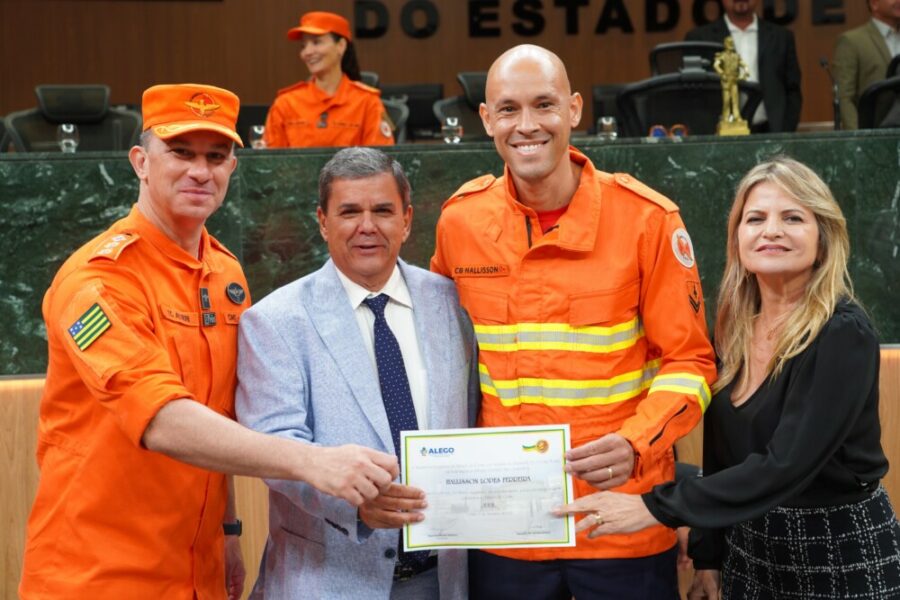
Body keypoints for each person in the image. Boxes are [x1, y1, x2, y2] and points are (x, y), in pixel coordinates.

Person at [19, 84, 399, 600]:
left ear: (231, 170)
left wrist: (229, 530)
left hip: (198, 573)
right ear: (140, 162)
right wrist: (313, 461)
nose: (201, 170)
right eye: (181, 152)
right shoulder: (98, 280)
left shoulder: (225, 275)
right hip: (100, 574)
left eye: (217, 156)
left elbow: (216, 417)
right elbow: (162, 419)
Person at [430, 44, 717, 599]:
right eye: (508, 109)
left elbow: (691, 363)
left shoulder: (647, 220)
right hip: (503, 529)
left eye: (545, 104)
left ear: (575, 109)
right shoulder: (459, 221)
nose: (528, 125)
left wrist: (637, 443)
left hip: (620, 521)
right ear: (486, 119)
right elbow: (444, 357)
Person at [554, 156, 900, 599]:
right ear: (738, 238)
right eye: (755, 219)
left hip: (835, 549)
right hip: (749, 548)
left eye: (792, 218)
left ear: (824, 238)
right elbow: (721, 455)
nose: (771, 230)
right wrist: (708, 556)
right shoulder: (734, 327)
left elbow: (784, 466)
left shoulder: (841, 333)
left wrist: (653, 508)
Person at [235, 147, 479, 599]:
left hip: (442, 580)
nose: (367, 226)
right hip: (329, 580)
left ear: (406, 220)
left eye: (382, 210)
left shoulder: (452, 302)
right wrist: (354, 506)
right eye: (349, 211)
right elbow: (273, 447)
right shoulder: (275, 321)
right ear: (323, 221)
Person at [263, 11, 394, 148]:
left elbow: (381, 162)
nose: (307, 52)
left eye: (316, 42)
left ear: (341, 46)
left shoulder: (368, 102)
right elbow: (269, 163)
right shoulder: (285, 103)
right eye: (303, 45)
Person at [686, 0, 802, 133]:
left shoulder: (781, 37)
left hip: (770, 131)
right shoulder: (699, 38)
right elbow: (692, 95)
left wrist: (785, 130)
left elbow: (793, 90)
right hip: (718, 134)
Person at [834, 0, 900, 129]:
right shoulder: (852, 40)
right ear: (874, 3)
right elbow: (845, 97)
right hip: (874, 132)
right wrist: (859, 139)